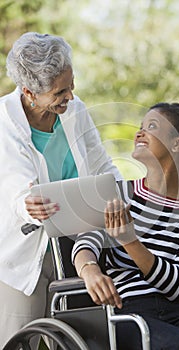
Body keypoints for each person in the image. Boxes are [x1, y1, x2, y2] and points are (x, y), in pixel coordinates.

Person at [72, 102, 179, 350]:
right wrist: (90, 270)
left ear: (178, 143)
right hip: (128, 308)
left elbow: (178, 285)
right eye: (140, 126)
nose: (139, 133)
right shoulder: (118, 193)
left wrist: (130, 241)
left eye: (152, 126)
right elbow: (86, 243)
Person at [0, 32, 121, 348]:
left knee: (75, 338)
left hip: (76, 241)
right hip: (24, 248)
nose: (70, 95)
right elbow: (14, 185)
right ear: (29, 92)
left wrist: (122, 195)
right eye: (60, 91)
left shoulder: (75, 110)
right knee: (18, 338)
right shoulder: (4, 121)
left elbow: (102, 165)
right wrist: (27, 205)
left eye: (71, 84)